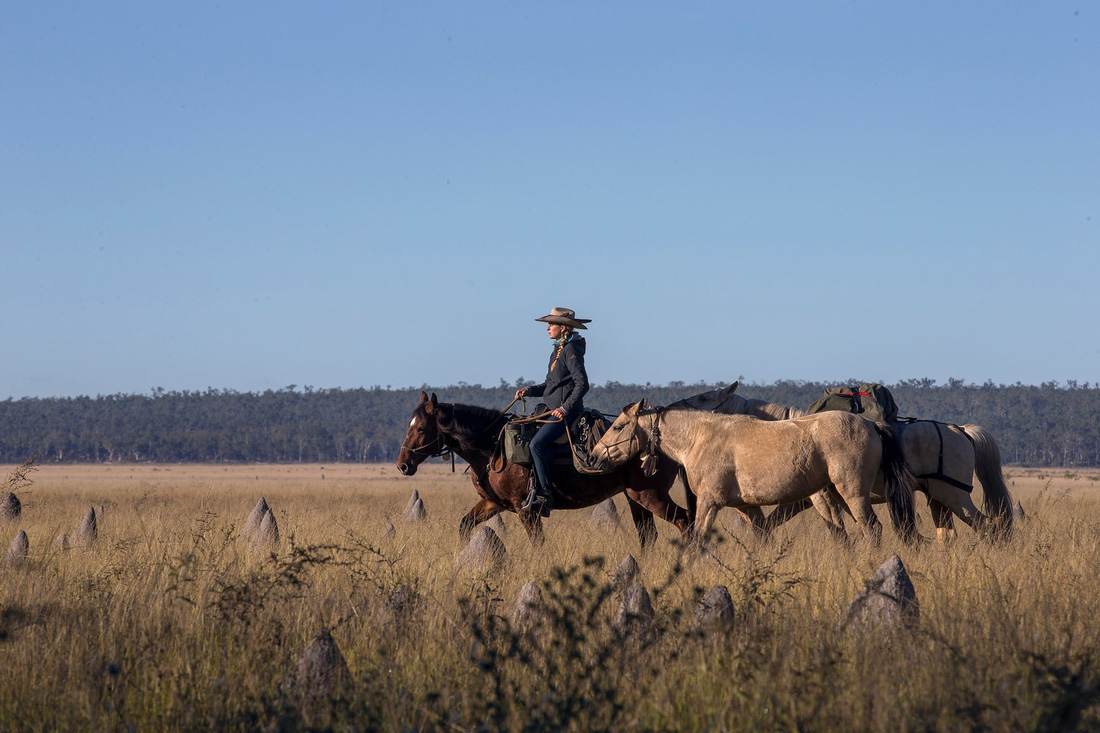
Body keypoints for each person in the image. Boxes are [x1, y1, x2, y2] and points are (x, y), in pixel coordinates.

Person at [513, 307, 591, 517]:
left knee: (536, 444)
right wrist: (528, 391)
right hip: (551, 411)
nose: (547, 328)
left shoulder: (571, 350)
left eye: (551, 324)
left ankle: (545, 495)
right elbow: (550, 385)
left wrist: (564, 408)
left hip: (567, 414)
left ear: (563, 328)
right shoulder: (557, 350)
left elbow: (582, 385)